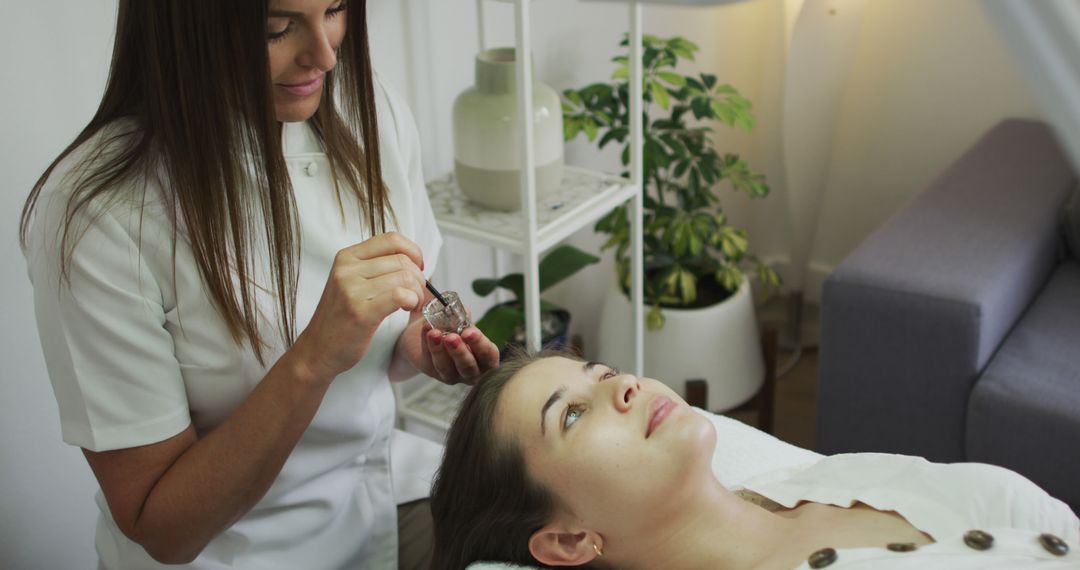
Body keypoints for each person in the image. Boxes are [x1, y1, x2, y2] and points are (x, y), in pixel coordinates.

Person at [20, 1, 499, 568]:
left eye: (336, 9)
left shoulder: (369, 107)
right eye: (277, 28)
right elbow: (164, 528)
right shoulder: (97, 216)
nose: (324, 54)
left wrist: (417, 340)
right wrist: (313, 358)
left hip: (376, 497)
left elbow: (411, 302)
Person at [430, 351, 1080, 569]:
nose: (624, 384)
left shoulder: (803, 479)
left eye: (599, 371)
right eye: (572, 414)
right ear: (569, 539)